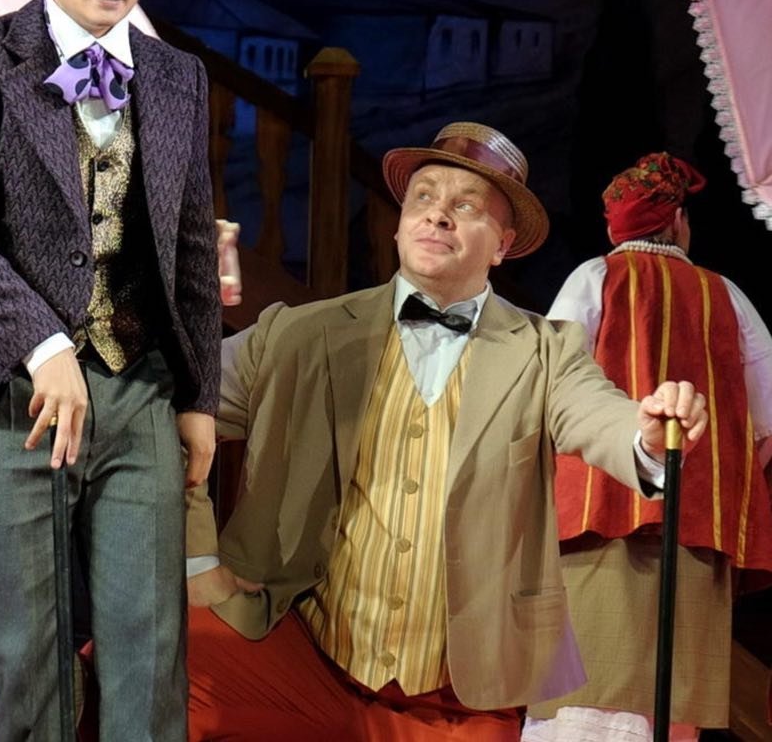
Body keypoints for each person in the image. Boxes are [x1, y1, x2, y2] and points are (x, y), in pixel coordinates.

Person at [183, 121, 710, 742]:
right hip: (300, 651)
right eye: (424, 198)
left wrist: (645, 434)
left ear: (502, 245)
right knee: (149, 663)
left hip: (460, 697)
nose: (437, 215)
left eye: (466, 207)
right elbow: (168, 412)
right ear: (399, 224)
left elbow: (598, 416)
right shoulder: (296, 334)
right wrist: (197, 558)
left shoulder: (547, 351)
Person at [0, 0, 221, 741]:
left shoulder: (175, 76)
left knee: (148, 648)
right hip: (13, 394)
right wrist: (44, 345)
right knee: (24, 651)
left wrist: (199, 397)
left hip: (138, 387)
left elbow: (191, 250)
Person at [523, 152, 772, 742]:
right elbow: (766, 417)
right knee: (673, 697)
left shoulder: (594, 277)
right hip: (697, 526)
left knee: (583, 688)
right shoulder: (726, 295)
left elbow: (545, 383)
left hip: (594, 513)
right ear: (678, 221)